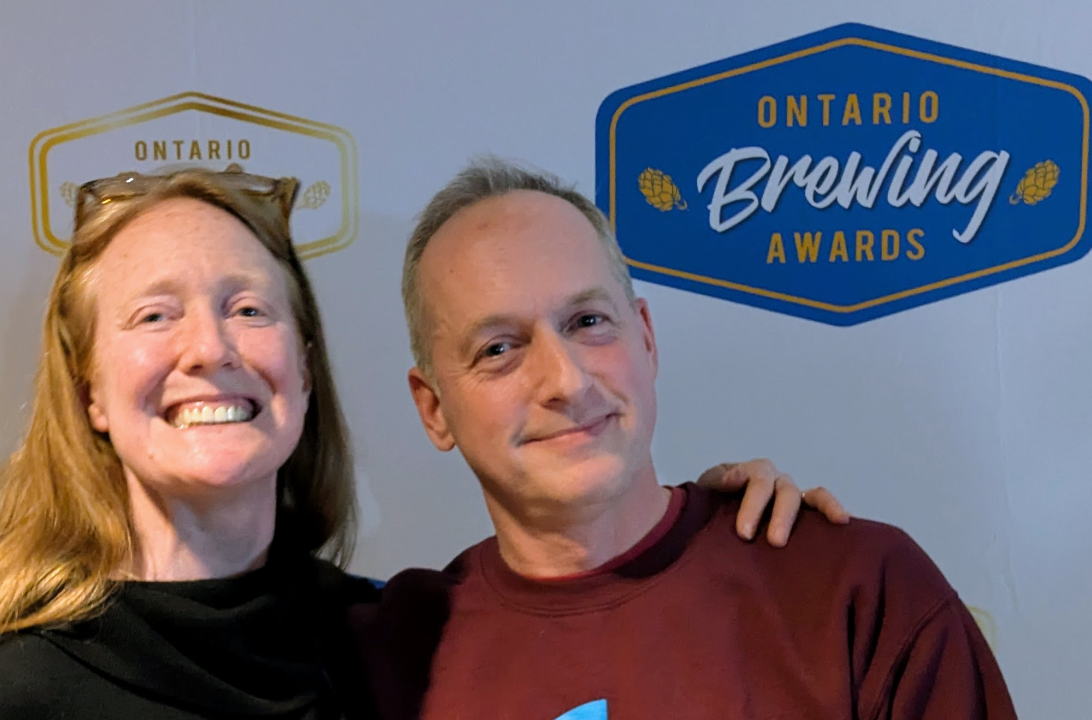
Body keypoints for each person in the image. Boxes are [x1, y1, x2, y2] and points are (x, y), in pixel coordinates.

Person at [0, 164, 841, 720]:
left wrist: (715, 541)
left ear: (304, 369)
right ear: (90, 396)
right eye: (155, 315)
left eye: (246, 307)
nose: (211, 349)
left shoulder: (390, 638)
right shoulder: (15, 693)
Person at [355, 157, 1018, 720]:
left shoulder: (856, 590)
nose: (566, 379)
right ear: (433, 407)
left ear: (645, 338)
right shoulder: (393, 655)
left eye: (588, 320)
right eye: (500, 347)